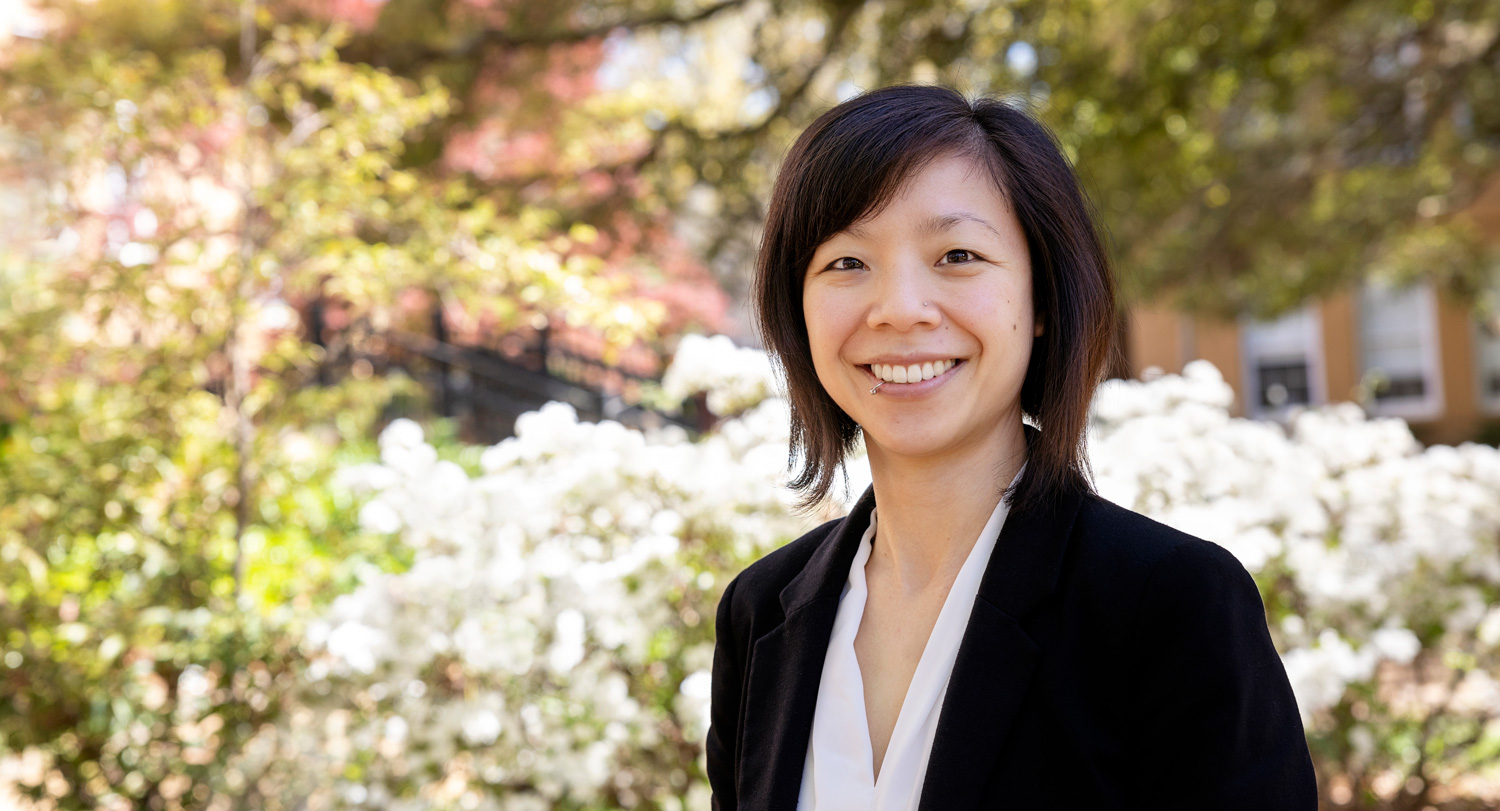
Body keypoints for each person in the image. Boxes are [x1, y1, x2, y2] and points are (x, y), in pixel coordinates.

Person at [705, 84, 1317, 810]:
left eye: (957, 254)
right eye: (846, 262)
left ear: (1043, 303)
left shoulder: (1171, 604)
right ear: (797, 309)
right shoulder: (760, 611)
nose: (900, 309)